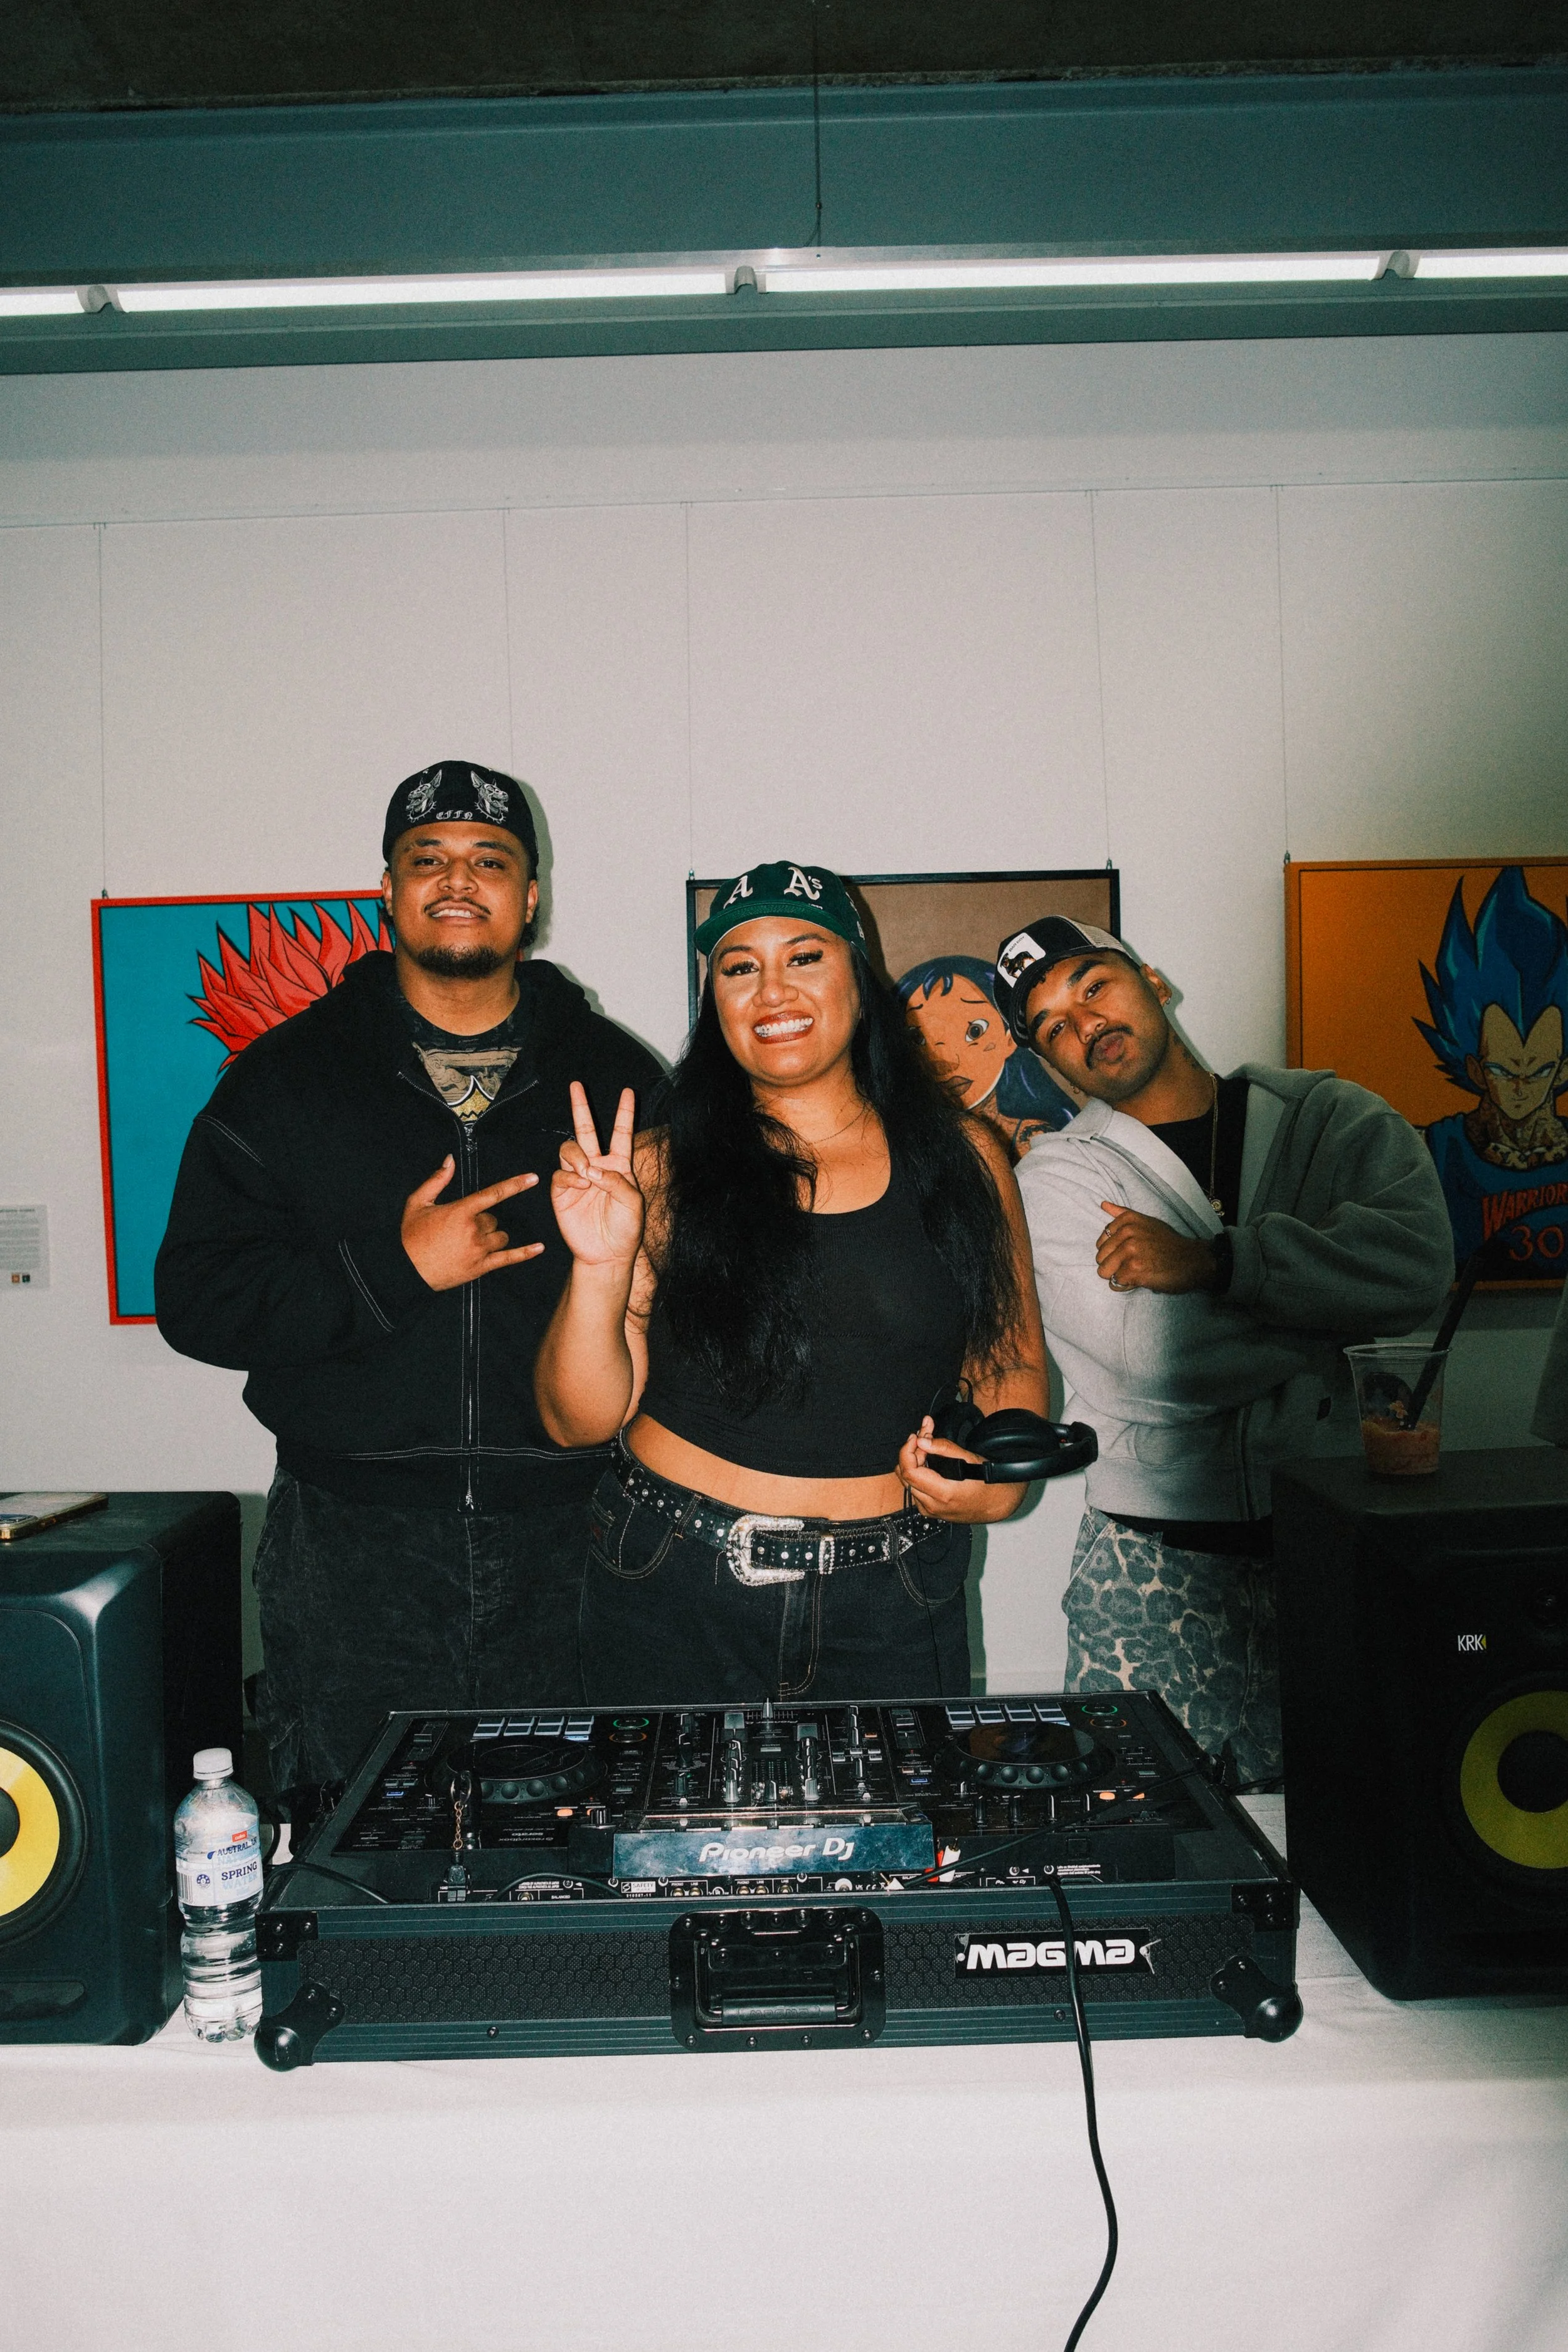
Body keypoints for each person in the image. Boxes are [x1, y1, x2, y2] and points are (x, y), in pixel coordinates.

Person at [156, 761, 662, 1799]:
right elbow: (198, 1298)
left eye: (490, 859)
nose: (457, 879)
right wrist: (398, 1269)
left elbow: (687, 1301)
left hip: (573, 1538)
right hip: (351, 1548)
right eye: (425, 859)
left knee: (568, 1849)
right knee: (355, 1860)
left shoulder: (619, 1077)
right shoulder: (282, 1077)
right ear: (386, 891)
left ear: (533, 896)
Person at [534, 860, 1050, 1703]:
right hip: (670, 1574)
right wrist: (598, 1263)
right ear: (717, 1003)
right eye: (740, 968)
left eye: (804, 956)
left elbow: (1009, 1364)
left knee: (893, 1835)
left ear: (859, 975)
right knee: (662, 1838)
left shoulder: (968, 1159)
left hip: (893, 1591)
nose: (771, 990)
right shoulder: (659, 1168)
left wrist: (996, 1479)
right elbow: (575, 1419)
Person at [992, 913, 1454, 1788]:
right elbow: (1153, 1365)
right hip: (1148, 1564)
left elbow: (1420, 1266)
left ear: (1154, 980)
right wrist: (1332, 1331)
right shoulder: (1058, 1175)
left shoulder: (1332, 1117)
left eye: (1094, 984)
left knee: (1354, 1827)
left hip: (1330, 1544)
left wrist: (1215, 1264)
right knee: (1142, 1843)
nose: (1083, 1022)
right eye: (1052, 1023)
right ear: (1049, 1062)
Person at [896, 953, 1076, 1156]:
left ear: (1010, 1039)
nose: (945, 1061)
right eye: (918, 1040)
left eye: (974, 1032)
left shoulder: (1033, 1141)